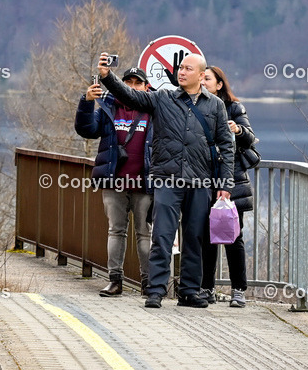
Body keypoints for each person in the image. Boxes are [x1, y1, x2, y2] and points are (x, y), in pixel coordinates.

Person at [98, 52, 233, 309]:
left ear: (201, 75)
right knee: (161, 235)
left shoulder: (215, 105)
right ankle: (156, 290)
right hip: (167, 179)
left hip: (200, 180)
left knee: (194, 237)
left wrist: (225, 184)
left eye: (188, 69)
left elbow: (226, 147)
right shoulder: (163, 97)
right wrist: (107, 77)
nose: (181, 72)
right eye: (180, 67)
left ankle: (190, 291)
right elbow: (131, 96)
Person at [74, 67, 154, 297]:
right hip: (114, 182)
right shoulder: (109, 108)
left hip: (144, 183)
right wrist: (86, 102)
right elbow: (86, 129)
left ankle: (148, 284)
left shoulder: (153, 111)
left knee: (144, 233)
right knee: (116, 231)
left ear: (146, 87)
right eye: (127, 81)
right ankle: (115, 280)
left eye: (137, 83)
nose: (131, 86)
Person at [198, 66, 256, 308]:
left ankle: (238, 290)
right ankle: (206, 288)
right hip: (204, 179)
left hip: (231, 181)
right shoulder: (197, 106)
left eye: (207, 79)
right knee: (206, 237)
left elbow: (250, 138)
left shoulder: (234, 107)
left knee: (233, 236)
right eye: (200, 78)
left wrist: (238, 129)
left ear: (219, 84)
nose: (202, 82)